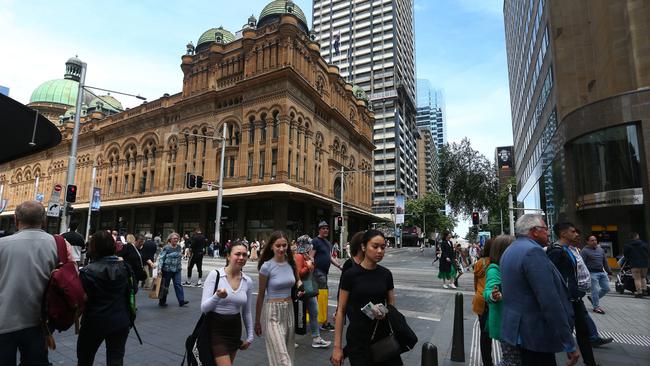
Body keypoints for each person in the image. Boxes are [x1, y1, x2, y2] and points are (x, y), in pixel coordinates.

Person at [500, 214, 580, 366]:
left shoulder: (510, 250)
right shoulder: (533, 252)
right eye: (545, 228)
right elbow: (549, 301)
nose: (549, 232)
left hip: (514, 331)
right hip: (533, 336)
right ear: (534, 231)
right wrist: (568, 342)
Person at [0, 201, 70, 365]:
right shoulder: (58, 244)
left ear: (16, 219)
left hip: (3, 321)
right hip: (40, 322)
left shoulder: (2, 244)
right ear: (44, 221)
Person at [331, 230, 400, 366]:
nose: (379, 251)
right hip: (358, 340)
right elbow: (341, 310)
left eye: (383, 247)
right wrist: (337, 347)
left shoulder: (386, 274)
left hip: (382, 336)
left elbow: (392, 306)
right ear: (363, 247)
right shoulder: (350, 275)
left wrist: (385, 312)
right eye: (375, 246)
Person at [77, 230, 136, 366]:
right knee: (116, 357)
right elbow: (134, 290)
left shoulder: (87, 271)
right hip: (121, 320)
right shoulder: (125, 267)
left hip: (94, 321)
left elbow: (82, 297)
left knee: (85, 357)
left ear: (94, 247)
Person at [547, 223, 597, 366]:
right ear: (563, 234)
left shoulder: (570, 250)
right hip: (565, 300)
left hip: (575, 298)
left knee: (583, 331)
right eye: (573, 231)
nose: (576, 234)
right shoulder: (556, 251)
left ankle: (590, 362)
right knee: (562, 334)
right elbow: (552, 276)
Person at [201, 241, 253, 365]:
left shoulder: (247, 281)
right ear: (228, 256)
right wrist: (217, 296)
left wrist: (250, 336)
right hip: (216, 329)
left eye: (244, 255)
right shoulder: (216, 275)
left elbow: (247, 311)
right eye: (238, 254)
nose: (241, 258)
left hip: (234, 329)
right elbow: (203, 308)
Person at [255, 230, 302, 366]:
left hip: (289, 310)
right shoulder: (266, 267)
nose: (282, 249)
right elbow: (261, 294)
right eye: (278, 246)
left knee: (288, 352)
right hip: (273, 313)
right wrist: (257, 321)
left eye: (284, 245)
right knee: (283, 359)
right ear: (271, 246)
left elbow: (298, 281)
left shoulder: (291, 263)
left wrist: (300, 288)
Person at [483, 236, 519, 365]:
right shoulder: (494, 269)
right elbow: (488, 291)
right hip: (505, 323)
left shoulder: (511, 266)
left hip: (514, 322)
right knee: (511, 361)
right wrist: (494, 295)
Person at [294, 235, 331, 349]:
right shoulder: (299, 256)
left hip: (308, 290)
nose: (311, 247)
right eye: (309, 244)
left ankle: (316, 338)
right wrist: (308, 267)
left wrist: (310, 264)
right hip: (302, 290)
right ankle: (291, 339)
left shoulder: (305, 256)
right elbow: (298, 274)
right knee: (298, 315)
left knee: (314, 312)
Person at [312, 221, 342, 331]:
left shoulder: (327, 243)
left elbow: (330, 257)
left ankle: (318, 321)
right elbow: (311, 257)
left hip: (324, 272)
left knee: (320, 296)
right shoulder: (315, 241)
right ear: (319, 230)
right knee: (322, 296)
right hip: (318, 272)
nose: (325, 230)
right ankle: (323, 322)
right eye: (323, 228)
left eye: (327, 228)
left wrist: (339, 266)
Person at [472, 238, 494, 366]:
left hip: (480, 299)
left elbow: (475, 284)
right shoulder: (495, 263)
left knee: (484, 335)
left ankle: (487, 362)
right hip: (491, 300)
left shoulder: (479, 263)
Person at [581, 235, 612, 313]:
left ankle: (592, 298)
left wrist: (609, 272)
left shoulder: (600, 250)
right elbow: (581, 264)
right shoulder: (584, 251)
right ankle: (596, 307)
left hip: (602, 272)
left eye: (595, 240)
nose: (594, 241)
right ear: (587, 242)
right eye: (592, 240)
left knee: (606, 288)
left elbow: (605, 262)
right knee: (594, 290)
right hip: (591, 273)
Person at [158, 232, 189, 307]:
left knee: (178, 284)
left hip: (177, 270)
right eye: (174, 238)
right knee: (165, 286)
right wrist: (159, 269)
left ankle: (181, 300)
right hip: (167, 270)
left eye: (177, 238)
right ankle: (162, 301)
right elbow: (161, 258)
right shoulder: (166, 248)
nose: (176, 240)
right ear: (170, 239)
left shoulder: (179, 247)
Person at [623, 232, 649, 298]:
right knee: (643, 277)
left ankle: (639, 292)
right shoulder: (645, 244)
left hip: (634, 264)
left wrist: (629, 260)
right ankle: (644, 290)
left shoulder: (627, 245)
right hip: (645, 264)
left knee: (637, 278)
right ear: (637, 236)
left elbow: (626, 255)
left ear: (631, 238)